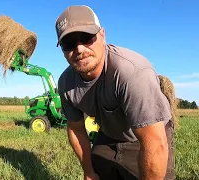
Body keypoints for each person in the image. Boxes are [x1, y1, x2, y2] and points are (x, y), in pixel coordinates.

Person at [55, 5, 175, 180]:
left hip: (147, 135)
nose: (79, 49)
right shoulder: (66, 83)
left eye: (87, 37)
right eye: (69, 43)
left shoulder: (131, 73)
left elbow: (154, 143)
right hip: (109, 134)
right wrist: (89, 172)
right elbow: (76, 130)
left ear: (102, 35)